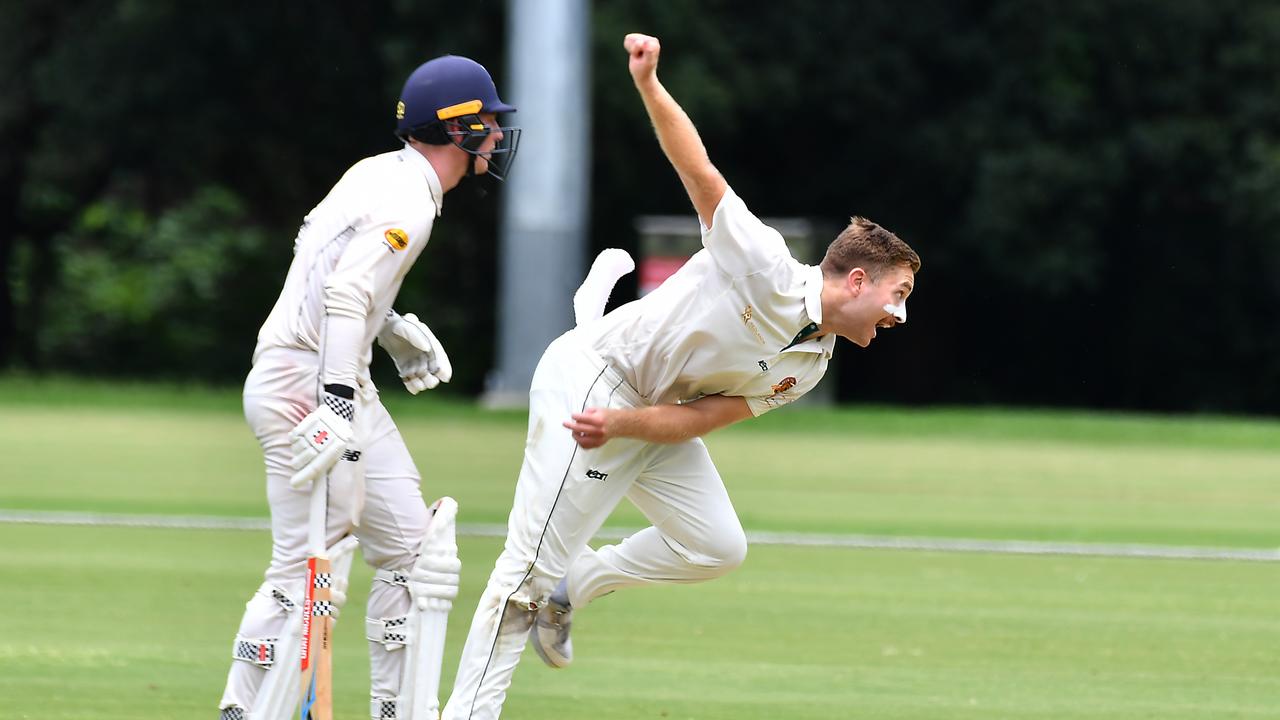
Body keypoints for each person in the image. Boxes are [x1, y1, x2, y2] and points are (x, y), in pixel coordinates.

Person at [441, 33, 920, 720]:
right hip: (592, 376)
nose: (899, 314)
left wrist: (626, 427)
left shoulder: (811, 364)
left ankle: (578, 583)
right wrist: (648, 83)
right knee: (523, 576)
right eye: (897, 293)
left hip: (642, 413)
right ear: (854, 279)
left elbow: (698, 421)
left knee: (716, 546)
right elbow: (697, 169)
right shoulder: (763, 263)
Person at [218, 55, 520, 720]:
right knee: (305, 571)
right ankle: (244, 709)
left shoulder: (379, 174)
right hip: (305, 380)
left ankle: (394, 710)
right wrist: (333, 402)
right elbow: (343, 288)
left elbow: (326, 265)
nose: (498, 137)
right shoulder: (410, 199)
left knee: (415, 550)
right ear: (458, 128)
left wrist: (390, 329)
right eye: (490, 123)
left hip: (333, 371)